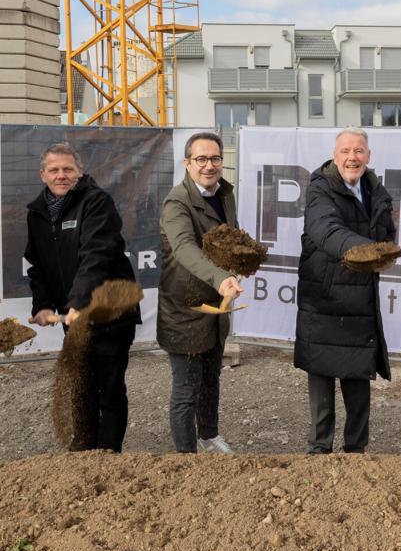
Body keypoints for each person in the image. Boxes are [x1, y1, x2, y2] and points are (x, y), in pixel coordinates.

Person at [25, 142, 139, 452]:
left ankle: (108, 454)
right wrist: (44, 305)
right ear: (43, 174)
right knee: (82, 386)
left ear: (80, 172)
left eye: (67, 169)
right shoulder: (36, 213)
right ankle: (85, 453)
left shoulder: (97, 202)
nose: (61, 175)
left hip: (110, 313)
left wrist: (76, 302)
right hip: (75, 319)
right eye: (54, 170)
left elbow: (96, 255)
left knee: (109, 387)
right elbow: (37, 266)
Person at [294, 127, 396, 454]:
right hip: (324, 300)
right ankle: (318, 453)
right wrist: (371, 252)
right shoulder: (320, 190)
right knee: (322, 387)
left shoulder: (378, 192)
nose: (352, 157)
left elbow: (387, 237)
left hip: (360, 303)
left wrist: (385, 253)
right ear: (335, 156)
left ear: (369, 156)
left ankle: (355, 454)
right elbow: (326, 231)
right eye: (345, 152)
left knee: (358, 386)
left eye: (359, 151)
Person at [157, 131, 242, 454]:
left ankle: (209, 436)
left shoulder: (225, 195)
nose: (209, 165)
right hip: (185, 308)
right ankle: (185, 456)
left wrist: (238, 266)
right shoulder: (177, 202)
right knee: (185, 389)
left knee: (211, 379)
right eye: (201, 159)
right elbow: (184, 248)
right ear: (187, 163)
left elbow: (227, 243)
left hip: (216, 306)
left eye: (215, 159)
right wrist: (221, 278)